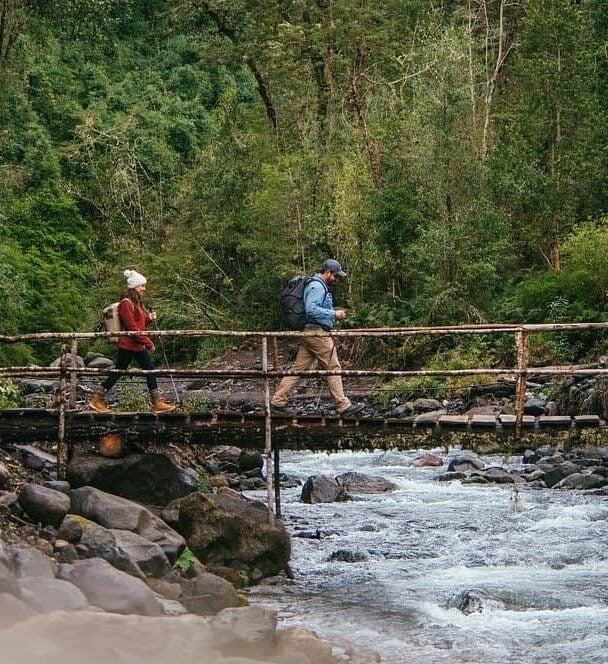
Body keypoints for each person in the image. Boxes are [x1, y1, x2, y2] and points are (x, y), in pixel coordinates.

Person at [271, 259, 364, 416]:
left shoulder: (317, 286)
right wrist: (334, 314)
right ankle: (343, 406)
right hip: (316, 333)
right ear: (327, 273)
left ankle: (277, 401)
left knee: (298, 369)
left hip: (311, 332)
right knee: (333, 367)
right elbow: (311, 309)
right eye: (336, 276)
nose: (337, 280)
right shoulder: (317, 287)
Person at [89, 269, 176, 413]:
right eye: (142, 286)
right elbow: (132, 327)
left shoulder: (136, 303)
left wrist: (149, 318)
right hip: (128, 345)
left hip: (136, 345)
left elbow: (139, 324)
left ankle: (157, 402)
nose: (144, 289)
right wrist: (148, 342)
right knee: (120, 371)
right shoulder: (126, 304)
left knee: (148, 369)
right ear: (135, 287)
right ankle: (97, 399)